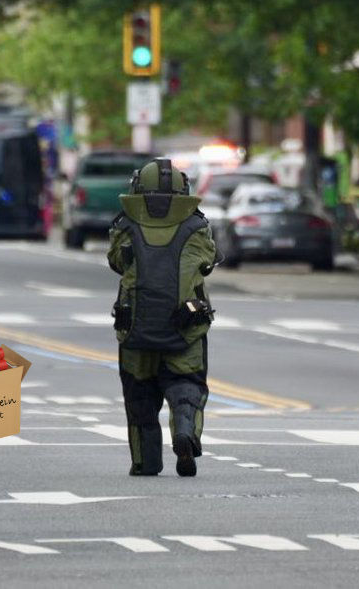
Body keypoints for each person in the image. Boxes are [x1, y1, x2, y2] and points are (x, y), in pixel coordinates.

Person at [108, 158, 218, 477]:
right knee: (187, 385)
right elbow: (208, 261)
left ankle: (145, 462)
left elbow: (116, 262)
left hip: (135, 328)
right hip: (186, 327)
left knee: (139, 397)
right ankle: (185, 432)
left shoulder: (124, 226)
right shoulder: (197, 226)